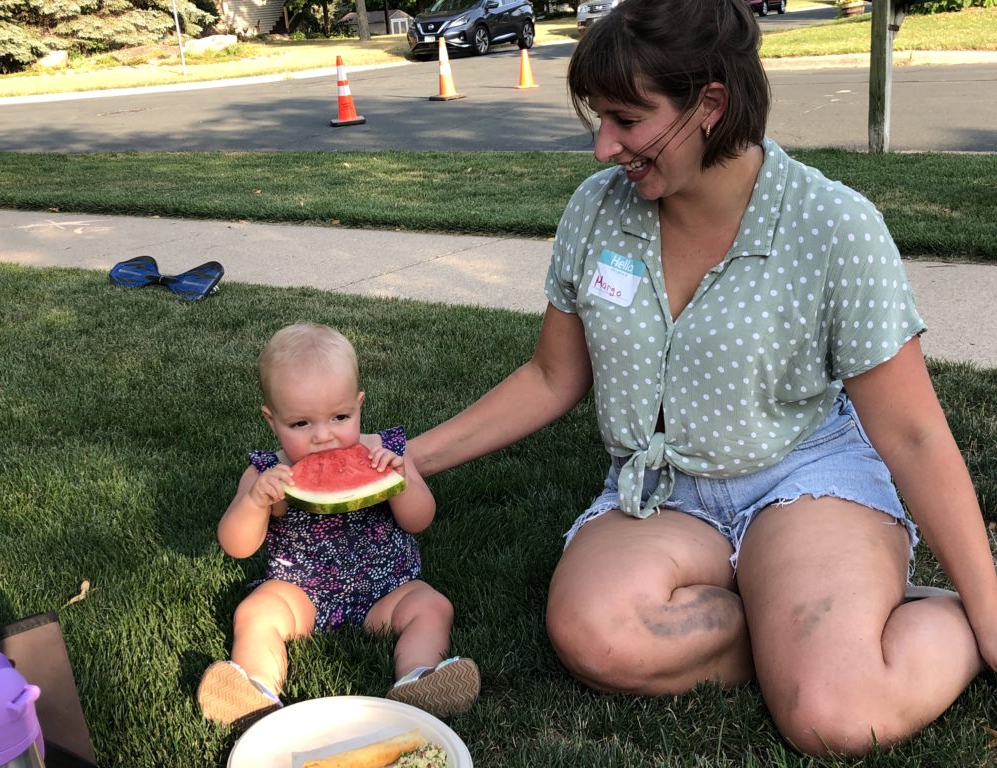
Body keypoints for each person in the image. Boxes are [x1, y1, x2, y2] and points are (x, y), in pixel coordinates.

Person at [400, 0, 997, 756]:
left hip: (801, 477)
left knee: (836, 716)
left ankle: (921, 621)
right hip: (661, 493)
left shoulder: (832, 225)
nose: (602, 147)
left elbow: (912, 433)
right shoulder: (598, 211)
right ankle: (800, 623)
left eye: (626, 119)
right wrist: (406, 458)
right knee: (595, 635)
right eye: (599, 119)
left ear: (710, 104)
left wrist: (990, 605)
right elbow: (552, 375)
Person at [197, 323, 479, 726]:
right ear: (271, 420)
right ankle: (256, 692)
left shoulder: (387, 453)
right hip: (301, 597)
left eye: (340, 416)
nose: (324, 437)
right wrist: (256, 501)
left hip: (388, 591)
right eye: (300, 424)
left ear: (359, 404)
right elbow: (236, 545)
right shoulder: (267, 473)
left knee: (432, 605)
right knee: (255, 612)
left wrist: (399, 482)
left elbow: (420, 519)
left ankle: (419, 680)